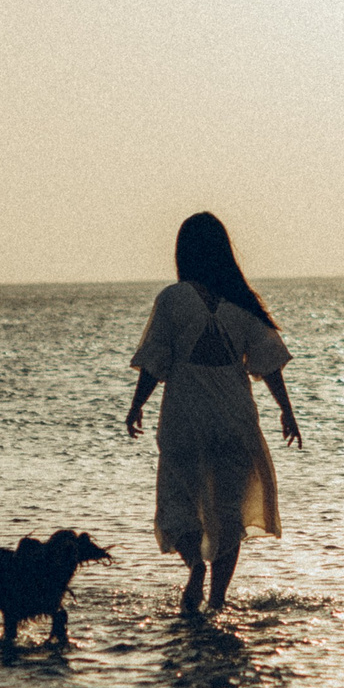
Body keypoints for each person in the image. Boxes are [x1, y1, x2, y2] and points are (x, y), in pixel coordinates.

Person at [125, 212, 301, 614]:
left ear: (184, 253)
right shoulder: (242, 301)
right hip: (233, 418)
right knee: (228, 513)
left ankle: (195, 568)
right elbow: (269, 363)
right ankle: (218, 601)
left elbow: (155, 359)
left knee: (177, 502)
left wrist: (137, 405)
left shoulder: (172, 299)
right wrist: (286, 411)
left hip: (185, 416)